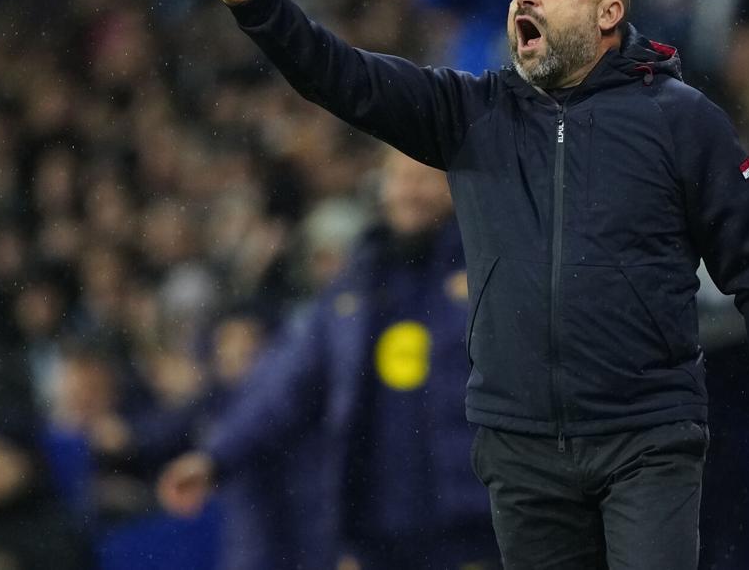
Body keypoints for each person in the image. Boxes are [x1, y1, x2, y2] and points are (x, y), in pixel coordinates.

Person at [185, 0, 749, 569]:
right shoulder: (473, 115)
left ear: (609, 13)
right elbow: (345, 78)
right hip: (521, 451)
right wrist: (261, 8)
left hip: (646, 436)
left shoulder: (683, 121)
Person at [158, 150, 498, 569]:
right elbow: (284, 384)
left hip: (472, 532)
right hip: (376, 535)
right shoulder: (355, 287)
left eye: (425, 179)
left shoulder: (490, 269)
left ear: (456, 187)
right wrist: (215, 457)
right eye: (400, 178)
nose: (410, 192)